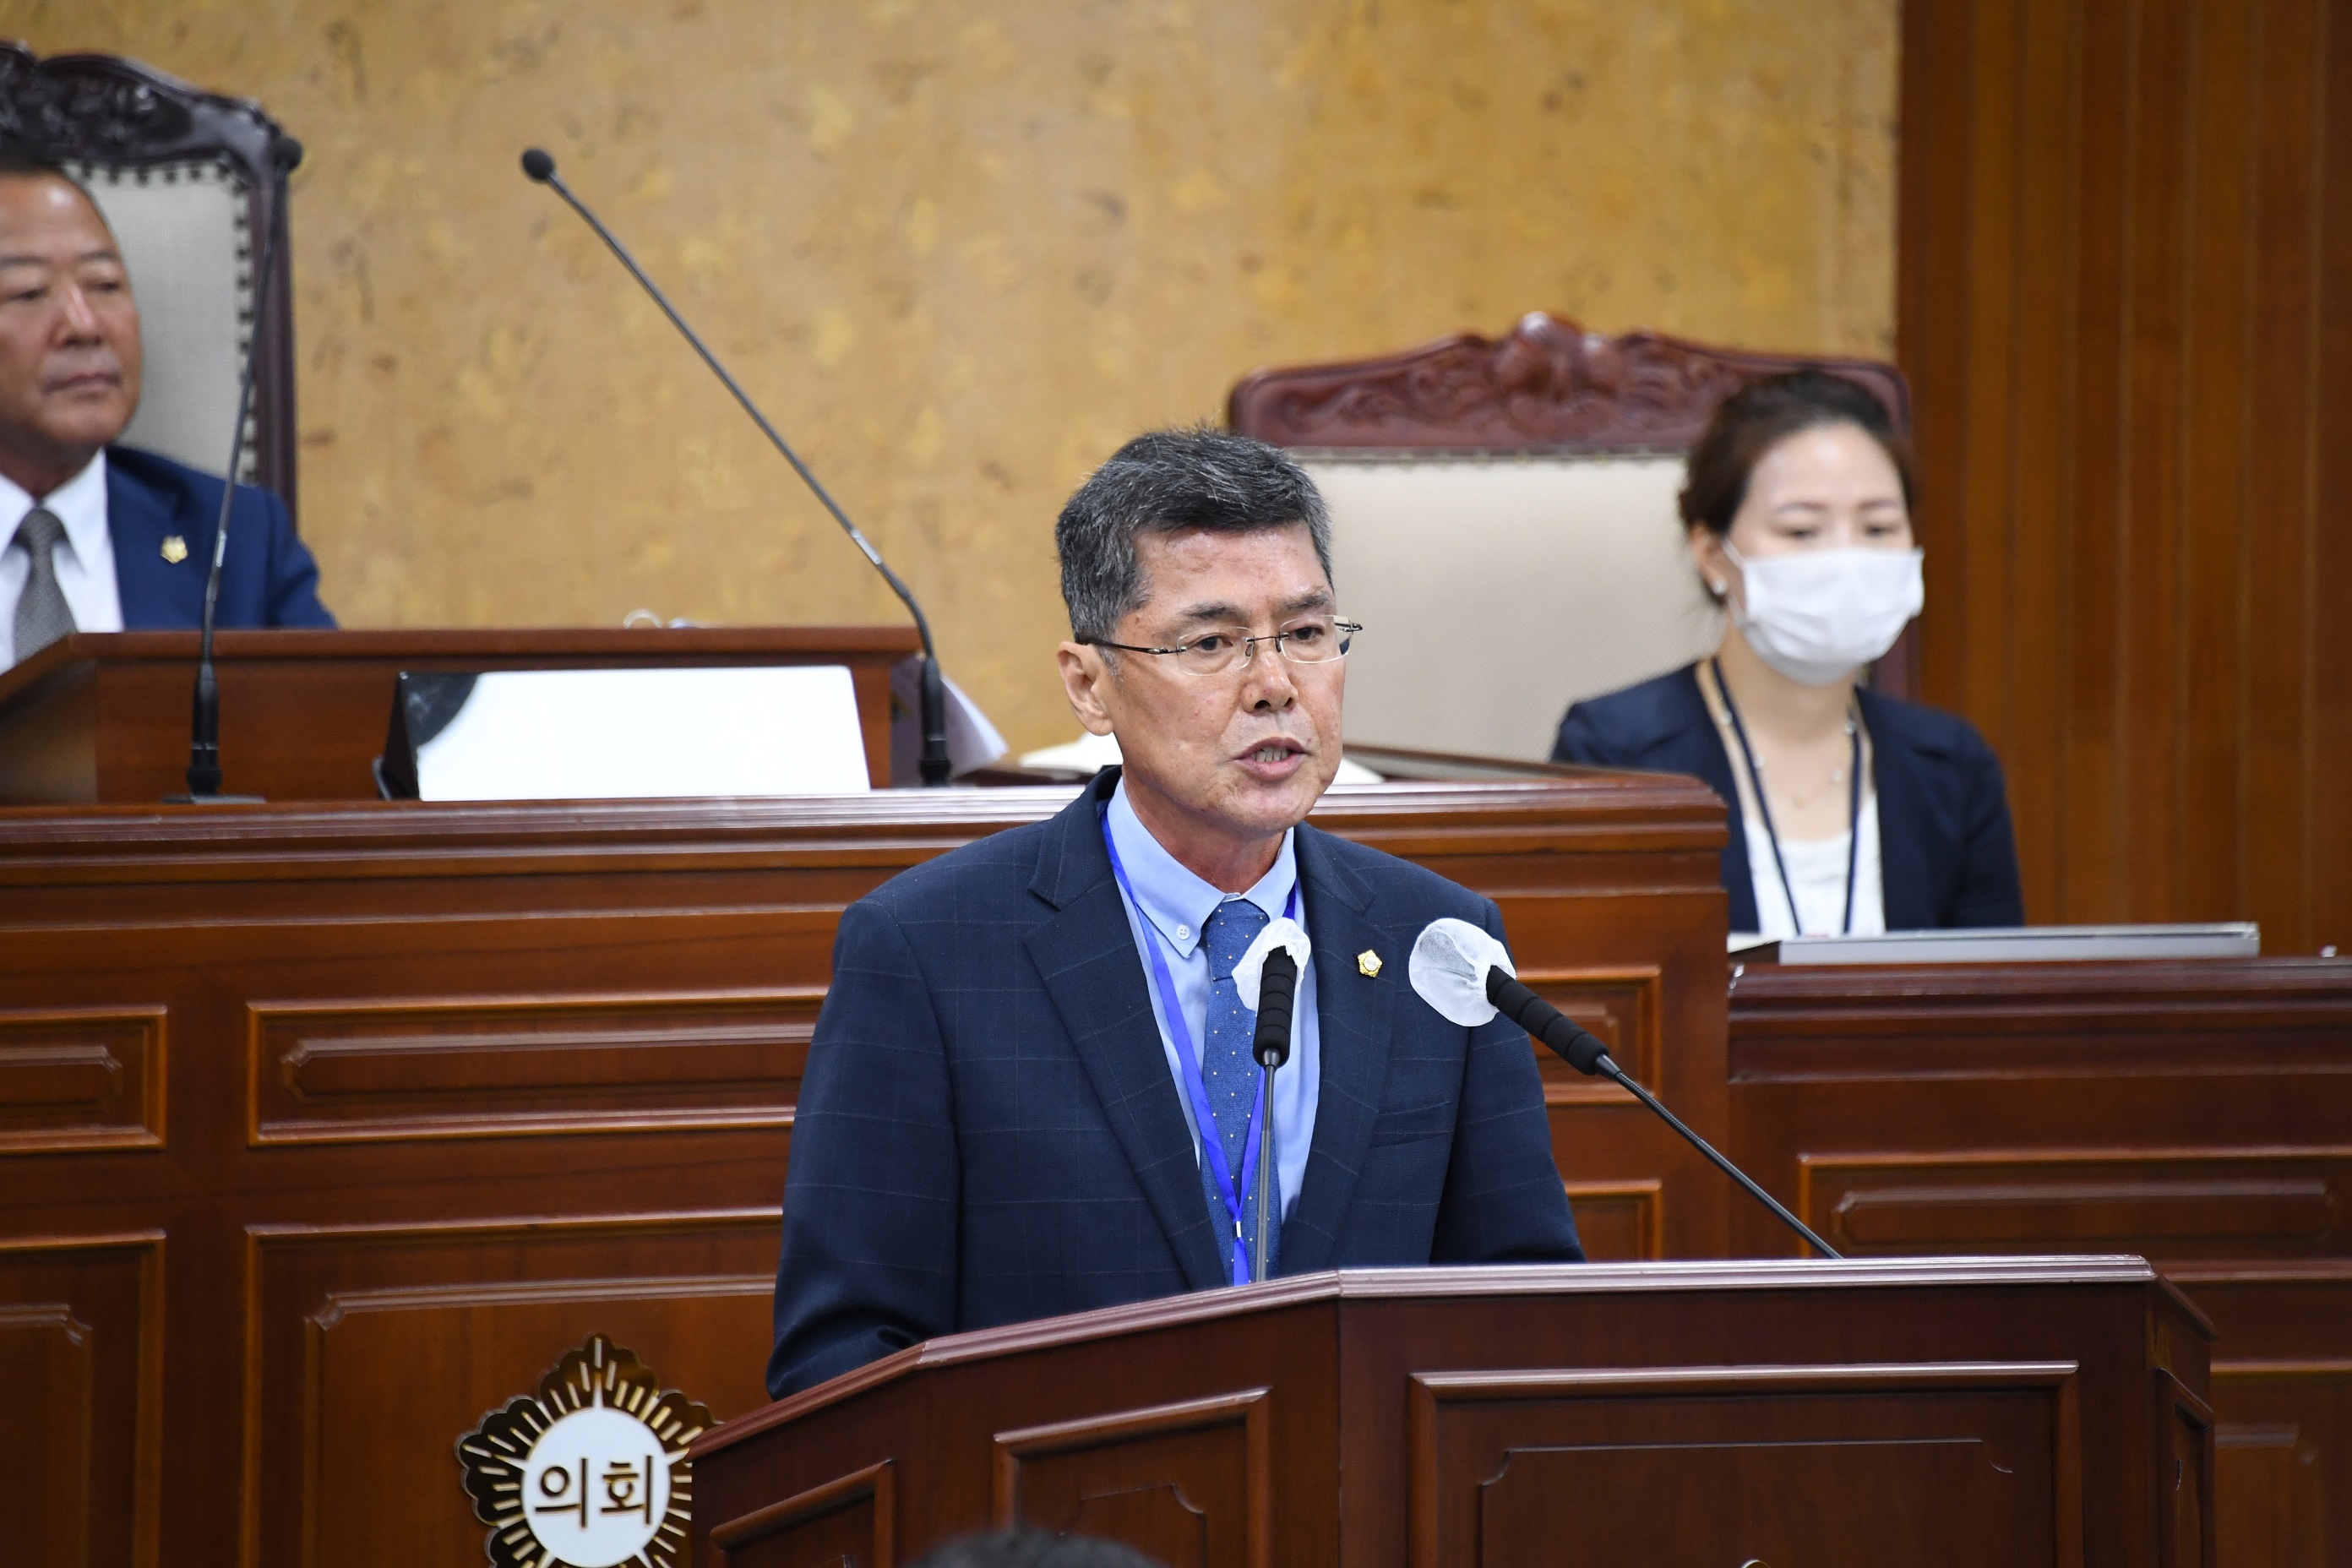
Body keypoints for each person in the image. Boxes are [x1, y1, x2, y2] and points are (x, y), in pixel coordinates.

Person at [768, 429, 1582, 1398]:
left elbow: (1522, 1310)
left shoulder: (1432, 939)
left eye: (1308, 633)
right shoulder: (929, 951)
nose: (1276, 683)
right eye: (1211, 642)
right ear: (1089, 684)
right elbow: (846, 1351)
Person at [1551, 370, 2023, 937]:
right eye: (1802, 531)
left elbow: (1990, 1002)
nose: (1846, 560)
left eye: (1878, 527)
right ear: (1712, 554)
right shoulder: (1615, 754)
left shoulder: (1952, 766)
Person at [0, 155, 332, 670]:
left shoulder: (235, 536)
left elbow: (340, 733)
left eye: (106, 285)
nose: (84, 325)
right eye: (27, 293)